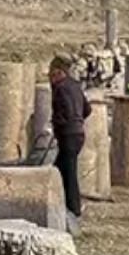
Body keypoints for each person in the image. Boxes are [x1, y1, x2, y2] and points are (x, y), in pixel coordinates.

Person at [49, 55, 92, 232]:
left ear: (60, 72)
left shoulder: (60, 88)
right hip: (78, 133)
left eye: (52, 75)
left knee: (69, 173)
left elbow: (64, 110)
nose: (50, 79)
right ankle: (60, 205)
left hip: (68, 134)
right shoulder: (75, 86)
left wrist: (58, 122)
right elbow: (87, 109)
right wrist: (78, 119)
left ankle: (74, 211)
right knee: (59, 169)